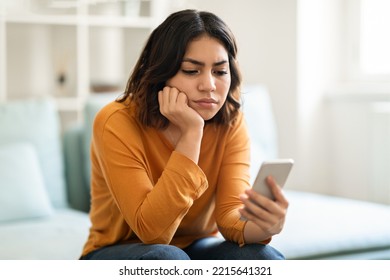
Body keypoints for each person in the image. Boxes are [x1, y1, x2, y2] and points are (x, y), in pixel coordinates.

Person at [80, 9, 288, 260]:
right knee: (168, 259)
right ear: (161, 73)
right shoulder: (116, 121)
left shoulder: (231, 123)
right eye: (192, 71)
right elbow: (152, 233)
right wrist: (191, 133)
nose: (209, 85)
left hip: (195, 247)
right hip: (114, 251)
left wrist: (265, 226)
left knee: (264, 257)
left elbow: (230, 218)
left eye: (220, 71)